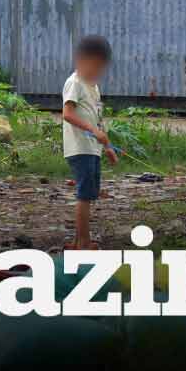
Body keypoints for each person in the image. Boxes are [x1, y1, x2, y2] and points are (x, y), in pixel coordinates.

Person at [63, 35, 118, 250]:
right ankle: (83, 243)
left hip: (92, 149)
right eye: (92, 65)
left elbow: (97, 120)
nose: (96, 71)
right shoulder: (74, 83)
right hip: (79, 148)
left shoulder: (93, 87)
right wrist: (94, 131)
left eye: (100, 67)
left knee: (90, 194)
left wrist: (108, 147)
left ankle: (78, 241)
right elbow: (67, 114)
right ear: (80, 61)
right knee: (84, 195)